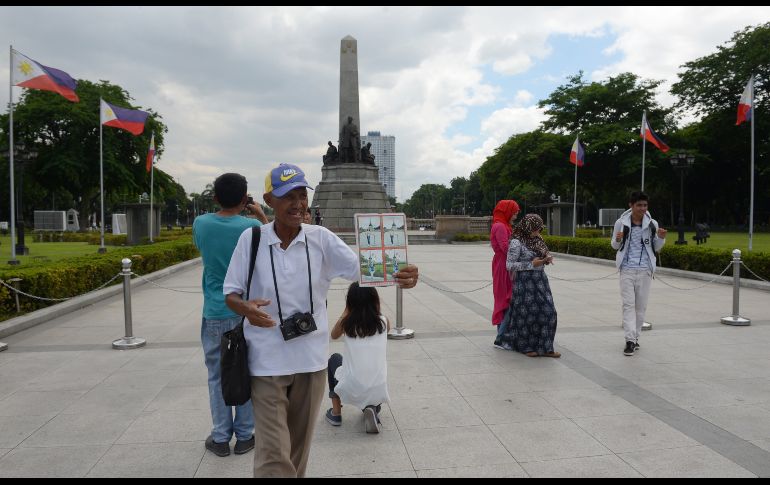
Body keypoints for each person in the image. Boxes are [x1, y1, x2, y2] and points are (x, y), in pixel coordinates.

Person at [222, 163, 419, 478]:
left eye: (302, 196)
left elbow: (362, 269)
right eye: (289, 196)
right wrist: (245, 308)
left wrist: (402, 274)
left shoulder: (321, 239)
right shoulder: (252, 239)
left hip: (310, 362)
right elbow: (230, 294)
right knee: (274, 455)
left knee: (298, 453)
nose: (298, 204)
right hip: (266, 361)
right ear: (269, 199)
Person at [192, 172, 268, 458]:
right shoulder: (252, 227)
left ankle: (221, 437)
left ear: (214, 197)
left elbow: (202, 249)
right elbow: (272, 243)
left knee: (216, 374)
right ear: (245, 198)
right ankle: (246, 434)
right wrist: (261, 214)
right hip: (246, 310)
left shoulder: (201, 223)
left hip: (214, 309)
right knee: (246, 370)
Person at [324, 282, 390, 434]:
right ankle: (371, 408)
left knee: (334, 359)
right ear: (375, 299)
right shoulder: (384, 321)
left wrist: (347, 310)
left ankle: (336, 413)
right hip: (378, 388)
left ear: (350, 302)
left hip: (352, 385)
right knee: (370, 377)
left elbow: (333, 336)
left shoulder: (347, 324)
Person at [493, 214, 560, 358]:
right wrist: (531, 264)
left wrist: (546, 259)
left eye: (539, 229)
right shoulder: (517, 242)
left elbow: (543, 254)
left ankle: (546, 346)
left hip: (540, 281)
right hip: (524, 282)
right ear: (527, 227)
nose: (538, 232)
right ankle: (525, 346)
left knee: (549, 312)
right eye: (535, 229)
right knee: (526, 315)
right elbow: (509, 265)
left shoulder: (538, 239)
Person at [610, 191, 666, 356]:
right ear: (631, 205)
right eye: (639, 205)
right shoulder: (621, 223)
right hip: (626, 269)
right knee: (628, 305)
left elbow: (655, 248)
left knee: (640, 307)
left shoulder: (652, 224)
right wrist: (618, 239)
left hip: (645, 270)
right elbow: (614, 245)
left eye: (645, 205)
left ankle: (635, 338)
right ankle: (629, 340)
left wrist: (661, 238)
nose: (642, 208)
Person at [490, 200, 520, 336]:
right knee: (507, 299)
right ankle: (501, 336)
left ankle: (503, 334)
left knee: (504, 298)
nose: (516, 215)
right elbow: (505, 247)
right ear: (507, 211)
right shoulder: (501, 226)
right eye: (514, 212)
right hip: (504, 265)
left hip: (503, 263)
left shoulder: (503, 225)